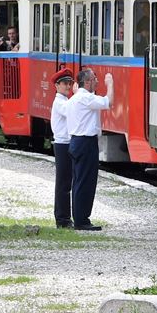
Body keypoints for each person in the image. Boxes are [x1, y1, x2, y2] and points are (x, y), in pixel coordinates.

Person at [65, 68, 114, 231]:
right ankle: (82, 220)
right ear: (87, 82)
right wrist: (110, 84)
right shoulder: (86, 98)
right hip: (85, 143)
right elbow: (108, 102)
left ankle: (80, 218)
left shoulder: (74, 99)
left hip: (76, 141)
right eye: (94, 79)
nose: (97, 81)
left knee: (79, 181)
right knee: (86, 182)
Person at [49, 67, 76, 229]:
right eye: (65, 83)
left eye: (69, 83)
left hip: (66, 144)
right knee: (63, 184)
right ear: (56, 86)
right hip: (62, 145)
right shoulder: (60, 103)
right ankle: (62, 219)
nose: (67, 86)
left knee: (66, 182)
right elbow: (72, 111)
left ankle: (64, 217)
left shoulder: (65, 101)